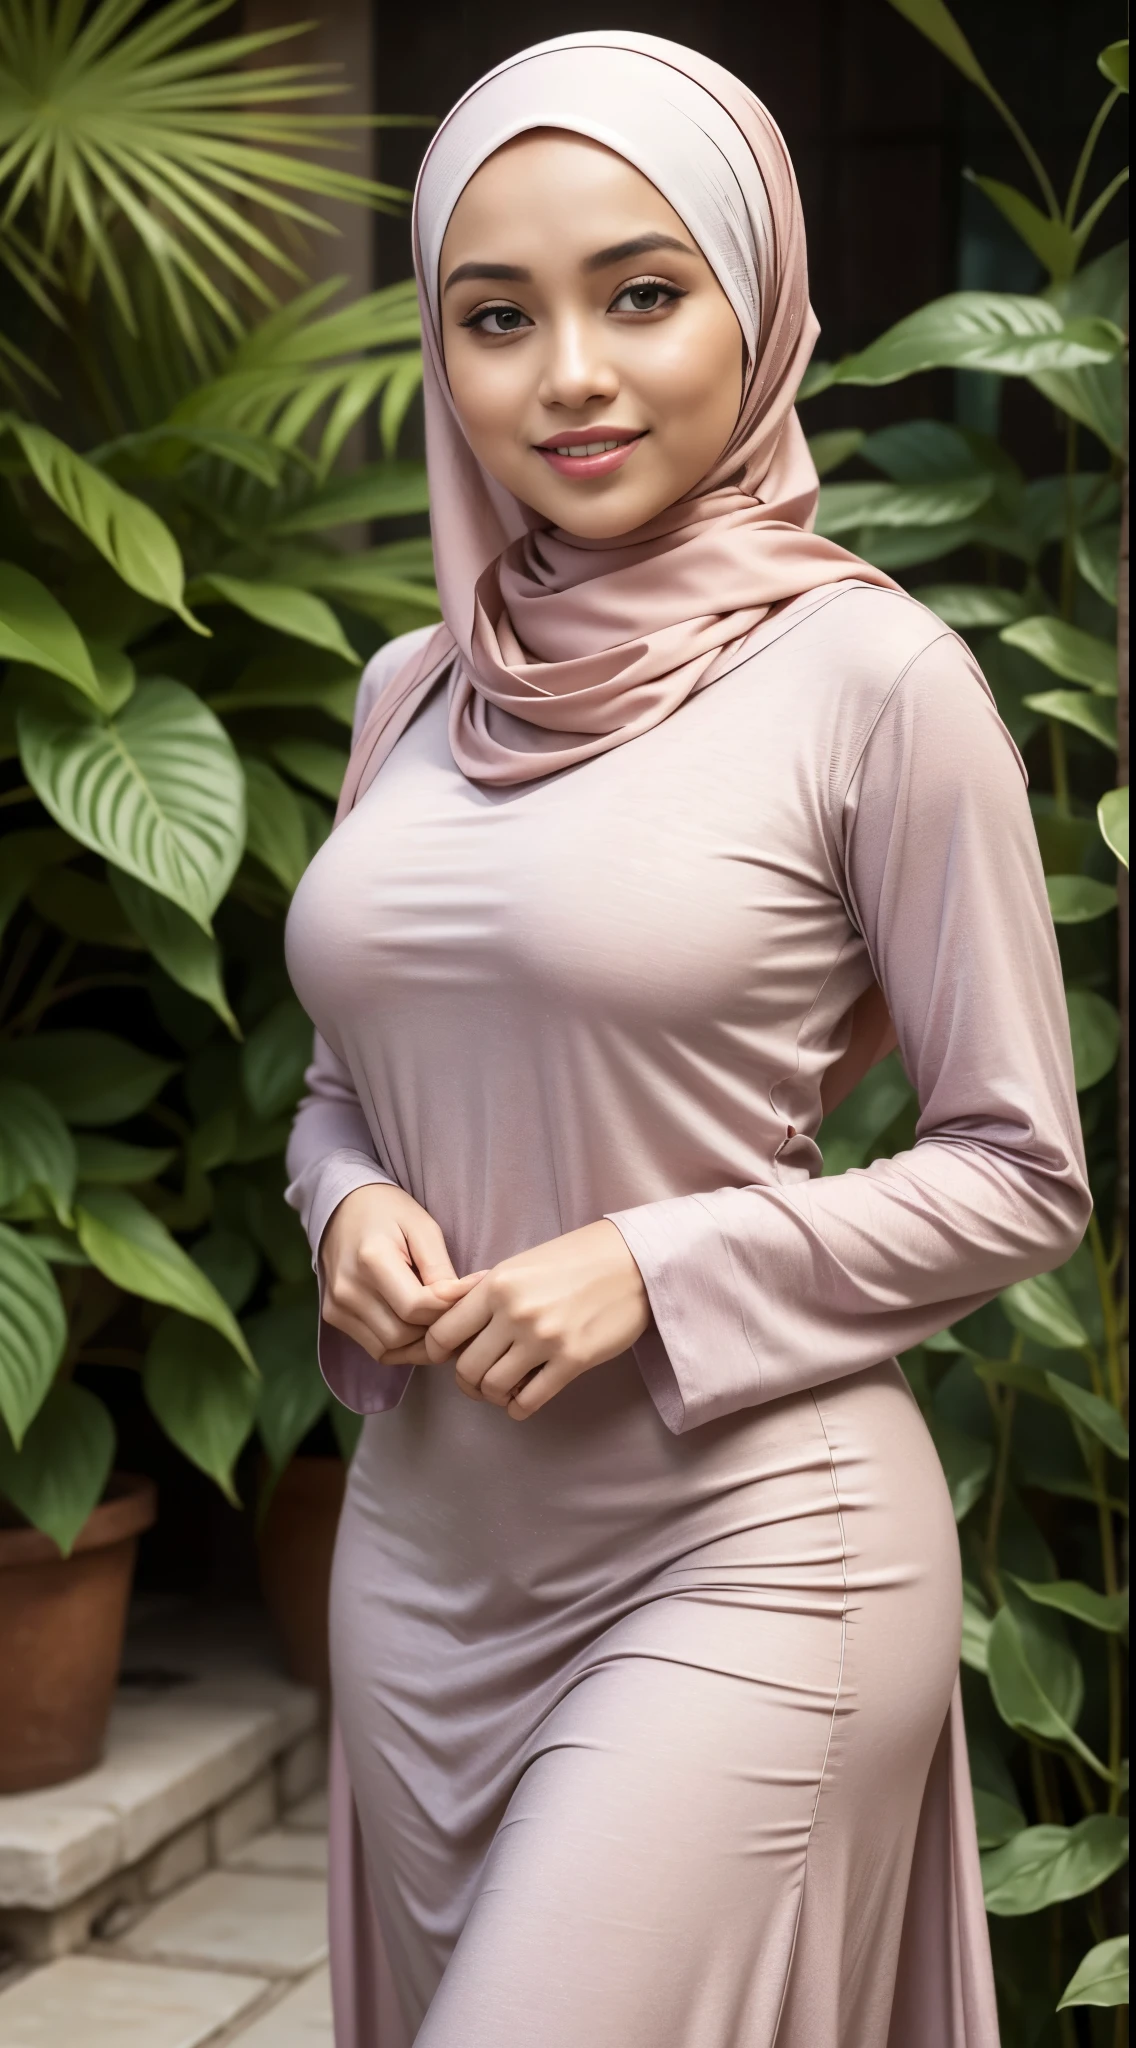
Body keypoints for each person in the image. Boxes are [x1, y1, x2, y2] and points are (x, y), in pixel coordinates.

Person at [284, 31, 1090, 2047]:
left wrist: (652, 1263)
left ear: (758, 301)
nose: (567, 370)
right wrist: (347, 1202)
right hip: (421, 1562)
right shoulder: (413, 690)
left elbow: (1020, 1166)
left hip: (747, 1557)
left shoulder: (872, 678)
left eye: (640, 293)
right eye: (496, 315)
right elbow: (341, 1085)